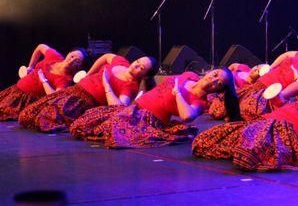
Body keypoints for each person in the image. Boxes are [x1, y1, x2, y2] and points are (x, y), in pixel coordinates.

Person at [69, 68, 240, 148]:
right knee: (86, 122)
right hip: (133, 108)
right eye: (215, 74)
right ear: (211, 71)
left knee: (111, 130)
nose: (214, 80)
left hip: (146, 119)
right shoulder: (189, 75)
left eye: (219, 83)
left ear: (219, 89)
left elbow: (187, 117)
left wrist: (178, 94)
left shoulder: (200, 102)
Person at [18, 54, 156, 132]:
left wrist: (106, 83)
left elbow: (119, 107)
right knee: (28, 114)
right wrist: (89, 73)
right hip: (72, 91)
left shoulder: (130, 86)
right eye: (137, 61)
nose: (136, 65)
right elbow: (106, 57)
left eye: (141, 67)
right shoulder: (122, 62)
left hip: (80, 102)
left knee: (41, 120)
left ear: (144, 76)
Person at [225, 50, 298, 121]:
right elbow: (286, 55)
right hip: (260, 83)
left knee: (237, 111)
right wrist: (271, 67)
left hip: (268, 96)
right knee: (222, 105)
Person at [0, 44, 87, 120]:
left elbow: (54, 97)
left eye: (77, 61)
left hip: (24, 100)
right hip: (14, 90)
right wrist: (31, 66)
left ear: (79, 67)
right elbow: (40, 47)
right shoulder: (55, 56)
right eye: (72, 56)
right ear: (68, 54)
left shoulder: (65, 79)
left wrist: (44, 80)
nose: (72, 61)